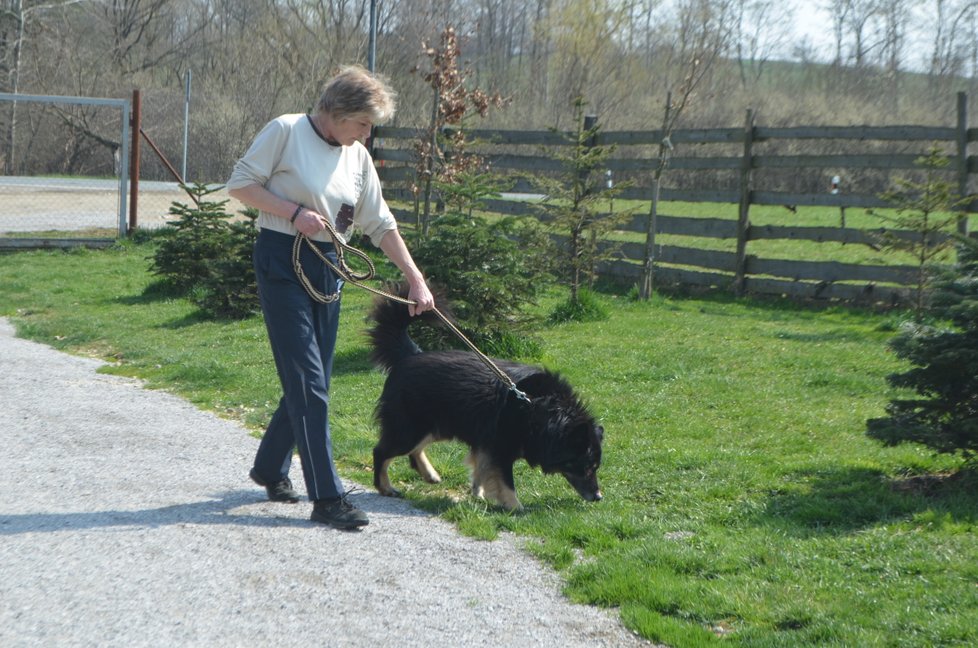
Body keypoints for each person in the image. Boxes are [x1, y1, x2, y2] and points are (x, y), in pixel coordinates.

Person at [227, 65, 434, 530]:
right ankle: (328, 497)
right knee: (310, 382)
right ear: (338, 111)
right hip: (282, 258)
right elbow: (240, 184)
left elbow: (380, 224)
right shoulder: (285, 131)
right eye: (362, 123)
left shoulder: (356, 157)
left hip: (329, 266)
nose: (366, 132)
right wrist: (293, 211)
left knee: (311, 377)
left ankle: (269, 467)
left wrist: (415, 279)